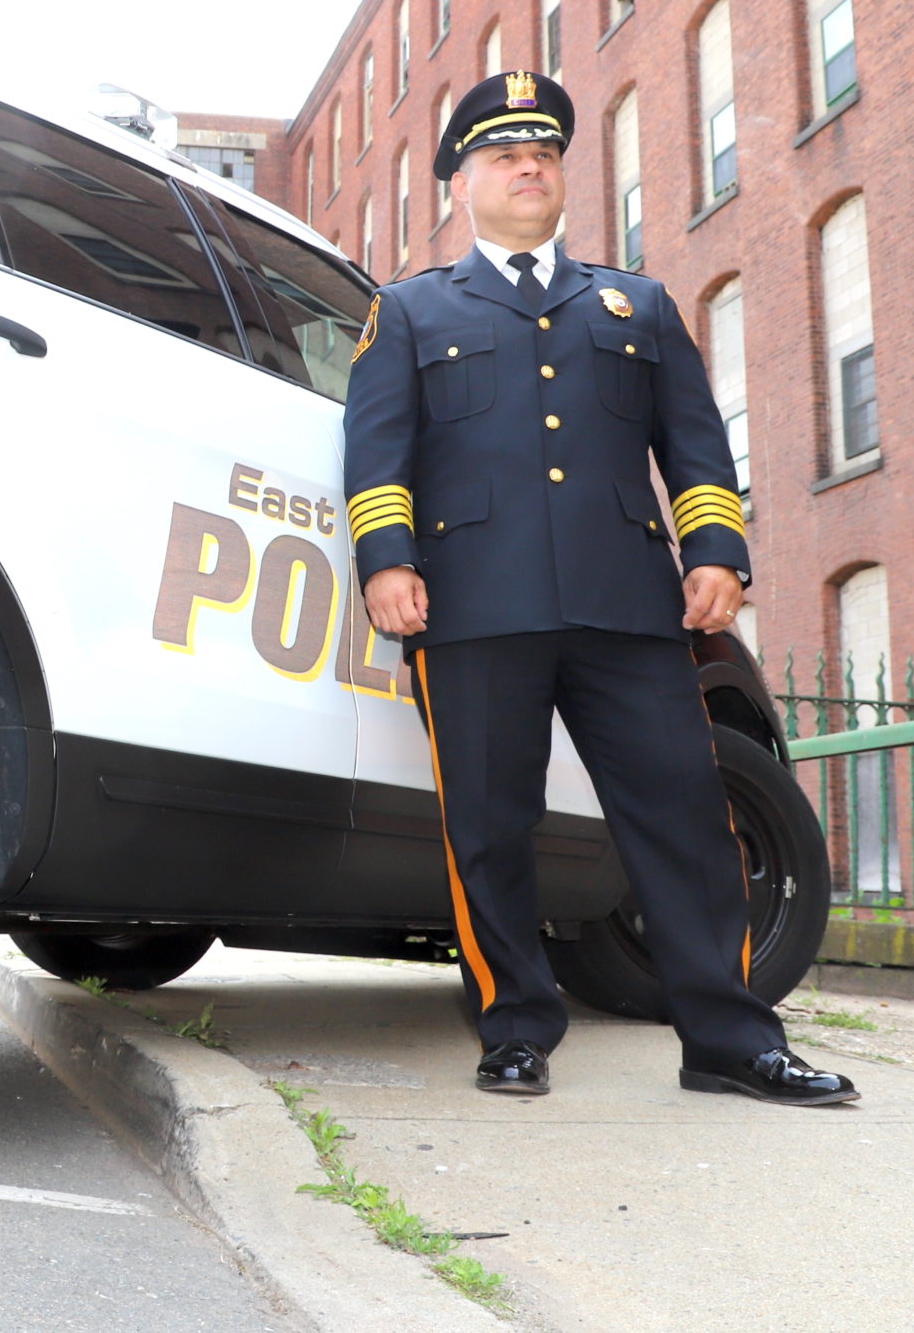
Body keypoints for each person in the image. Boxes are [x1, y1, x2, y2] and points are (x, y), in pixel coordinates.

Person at [343, 70, 856, 1106]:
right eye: (501, 154)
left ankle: (728, 1038)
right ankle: (516, 1026)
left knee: (683, 820)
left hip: (628, 607)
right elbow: (374, 453)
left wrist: (715, 549)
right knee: (488, 824)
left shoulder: (638, 303)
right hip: (473, 607)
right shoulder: (406, 310)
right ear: (462, 182)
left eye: (541, 152)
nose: (526, 166)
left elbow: (699, 450)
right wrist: (386, 558)